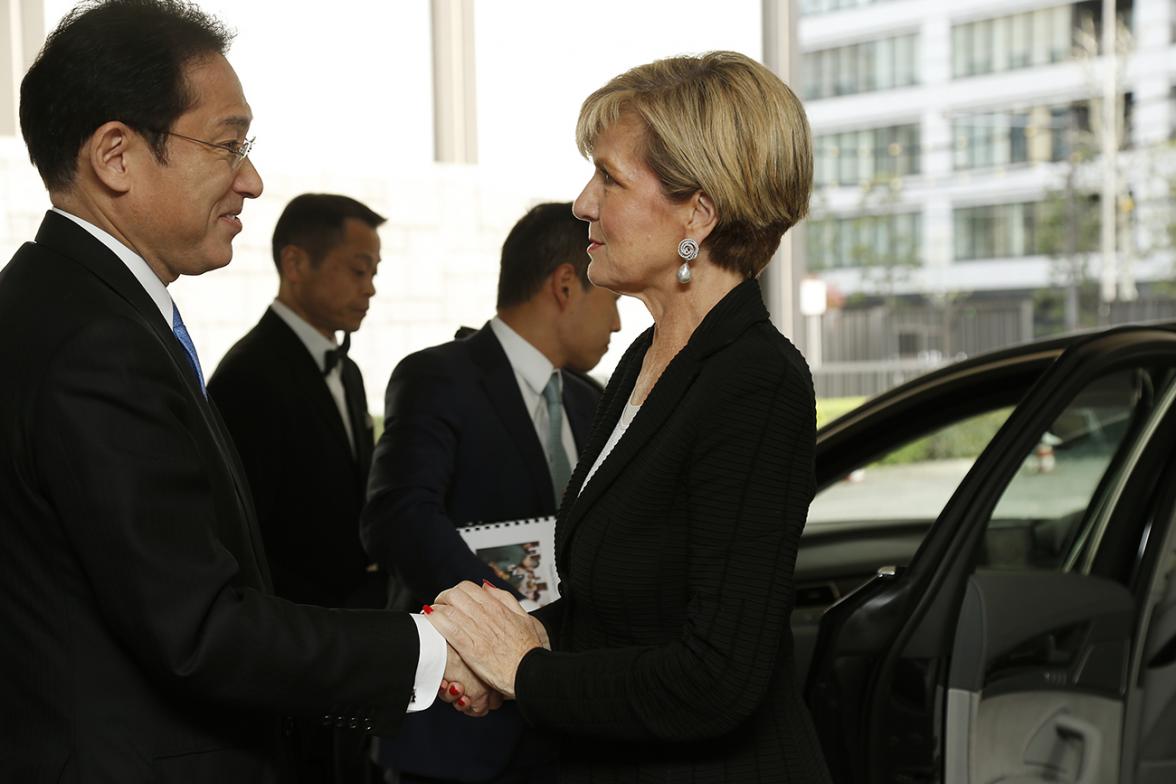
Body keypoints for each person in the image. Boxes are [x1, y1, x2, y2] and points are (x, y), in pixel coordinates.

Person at [0, 2, 488, 781]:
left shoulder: (63, 307)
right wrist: (433, 649)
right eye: (227, 145)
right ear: (116, 156)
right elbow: (199, 630)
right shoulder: (96, 346)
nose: (252, 180)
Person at [425, 52, 834, 783]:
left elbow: (717, 679)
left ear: (697, 215)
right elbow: (617, 616)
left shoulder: (755, 381)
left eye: (609, 178)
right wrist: (507, 649)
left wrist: (525, 674)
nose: (582, 203)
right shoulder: (647, 356)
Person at [361, 202, 620, 783]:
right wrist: (503, 628)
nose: (617, 324)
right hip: (460, 730)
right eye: (612, 299)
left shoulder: (591, 401)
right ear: (565, 284)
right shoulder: (438, 378)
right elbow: (399, 517)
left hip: (568, 725)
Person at [206, 193, 387, 782]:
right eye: (358, 270)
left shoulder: (350, 371)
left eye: (374, 274)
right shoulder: (248, 376)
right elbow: (241, 532)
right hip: (291, 649)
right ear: (296, 263)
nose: (370, 289)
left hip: (347, 646)